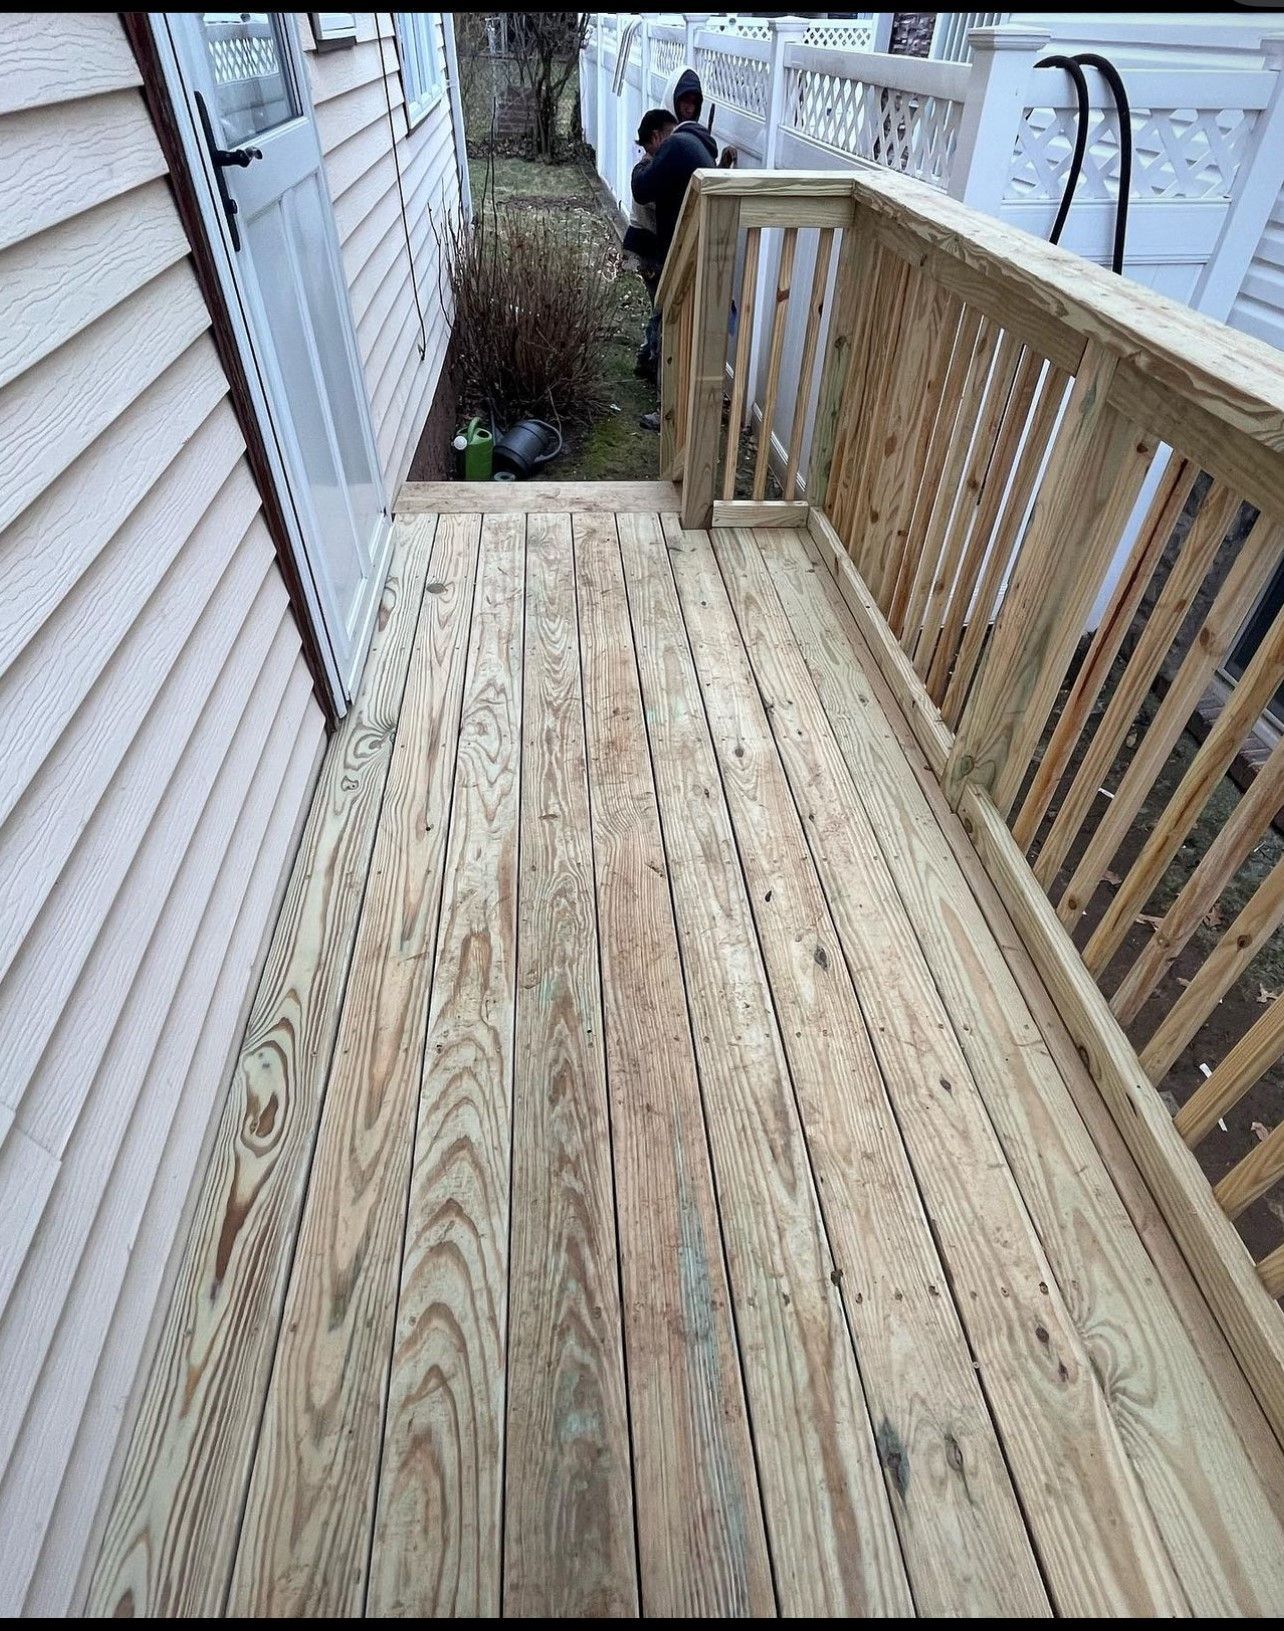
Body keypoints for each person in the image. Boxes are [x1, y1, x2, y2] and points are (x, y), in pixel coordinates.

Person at [631, 68, 737, 430]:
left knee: (670, 329)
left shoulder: (676, 145)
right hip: (701, 248)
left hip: (685, 254)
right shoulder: (700, 142)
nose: (689, 106)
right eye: (684, 100)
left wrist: (645, 162)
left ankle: (669, 412)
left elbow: (642, 188)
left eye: (694, 101)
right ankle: (687, 405)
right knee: (684, 329)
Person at [625, 108, 676, 382]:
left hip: (642, 250)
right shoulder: (647, 171)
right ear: (656, 138)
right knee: (661, 309)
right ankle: (653, 360)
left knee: (658, 307)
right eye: (671, 137)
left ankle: (646, 356)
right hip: (647, 254)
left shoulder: (652, 167)